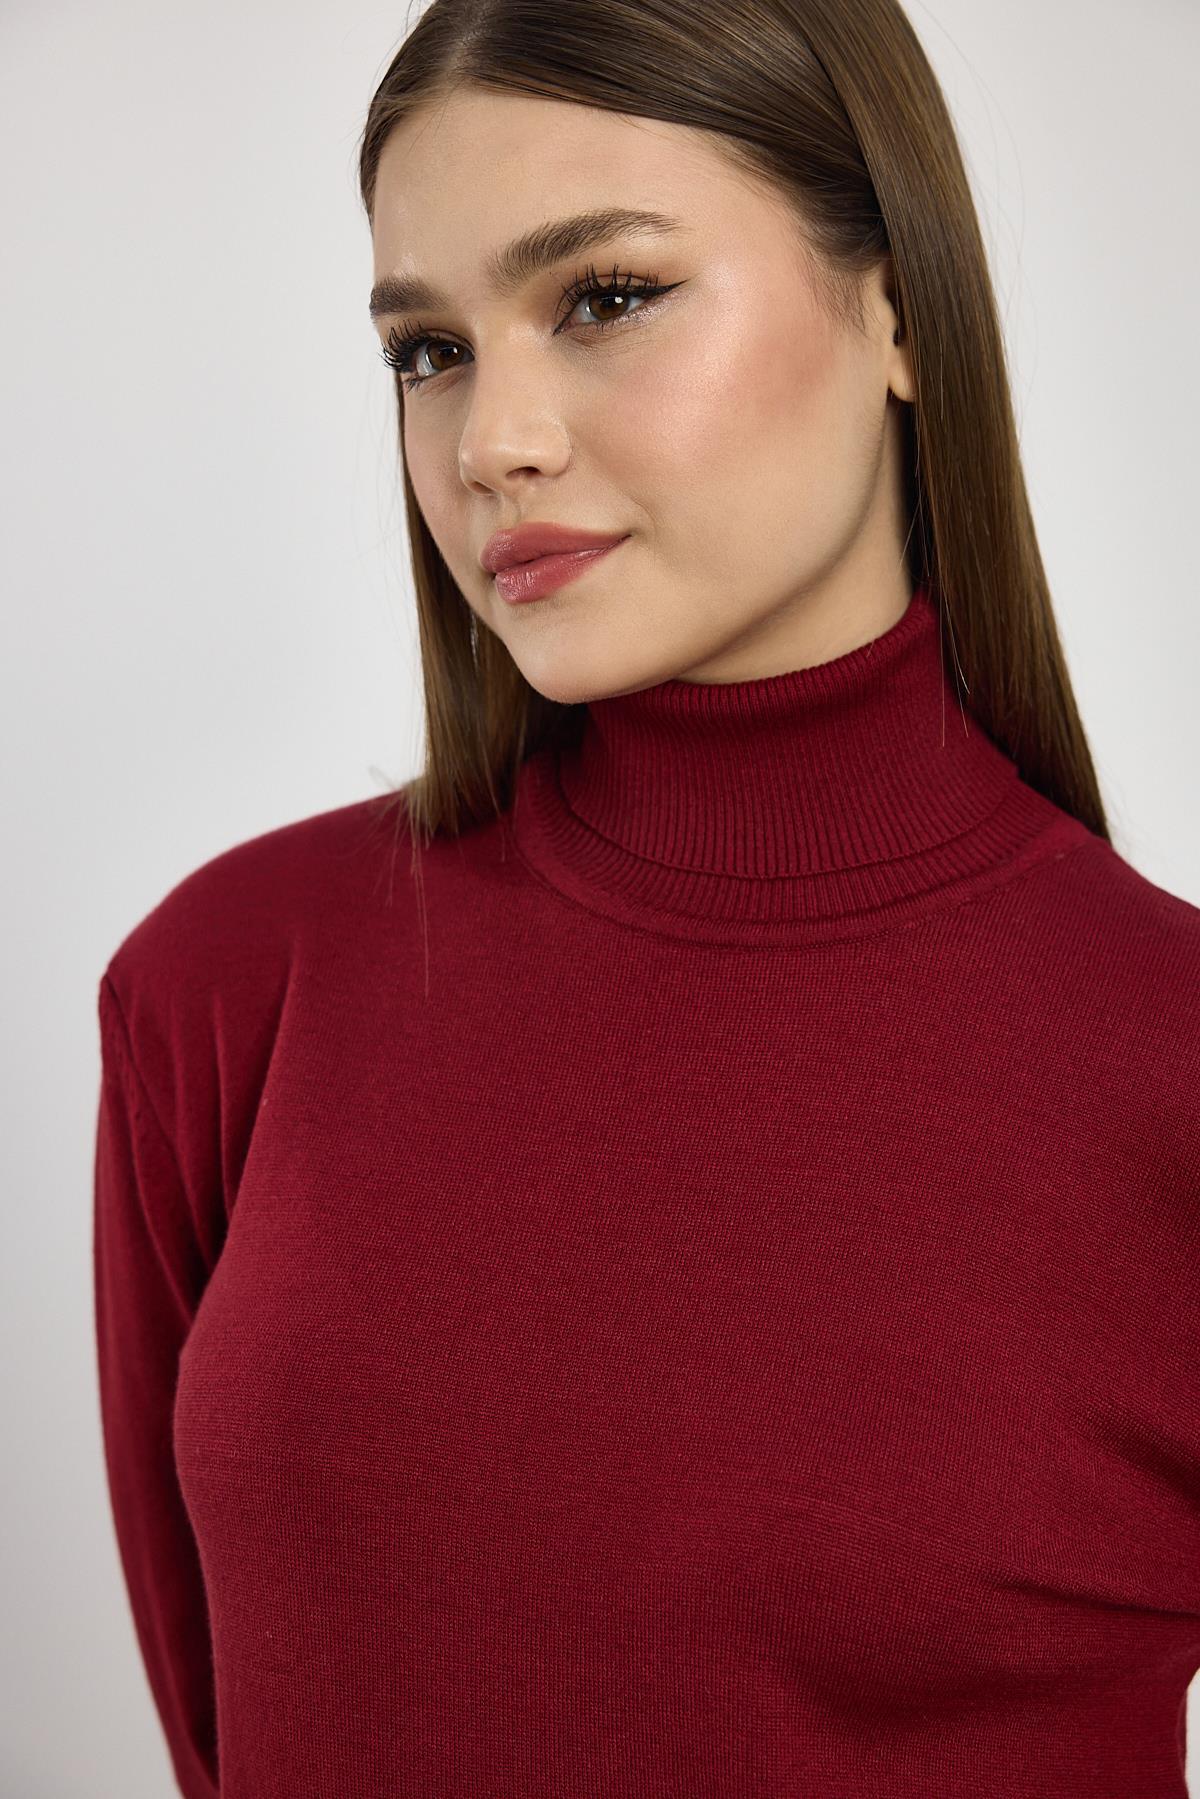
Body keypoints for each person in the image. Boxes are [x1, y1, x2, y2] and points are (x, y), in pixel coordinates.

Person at [92, 1, 1200, 1794]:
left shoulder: (1166, 1069)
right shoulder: (232, 987)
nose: (492, 441)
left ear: (900, 313)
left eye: (606, 296)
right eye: (429, 350)